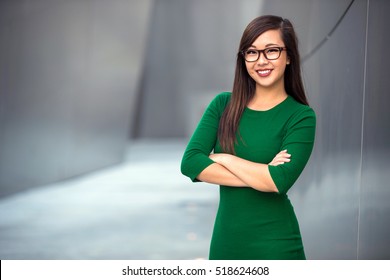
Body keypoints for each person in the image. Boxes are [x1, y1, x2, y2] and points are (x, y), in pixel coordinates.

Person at [180, 15, 316, 260]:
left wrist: (223, 158)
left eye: (272, 50)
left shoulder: (301, 116)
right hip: (226, 243)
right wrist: (260, 174)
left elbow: (278, 181)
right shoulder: (223, 105)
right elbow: (190, 163)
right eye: (252, 52)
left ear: (289, 57)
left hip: (277, 245)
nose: (261, 61)